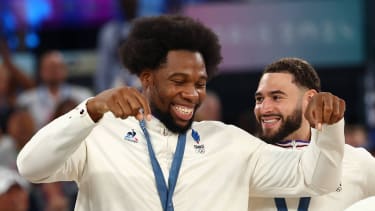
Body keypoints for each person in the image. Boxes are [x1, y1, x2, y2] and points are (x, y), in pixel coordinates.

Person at [17, 15, 346, 211]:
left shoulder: (230, 144)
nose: (192, 93)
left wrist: (329, 128)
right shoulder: (101, 137)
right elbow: (31, 166)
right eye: (179, 80)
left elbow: (317, 178)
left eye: (200, 82)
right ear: (147, 78)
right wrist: (89, 111)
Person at [249, 57, 375, 211]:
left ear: (309, 99)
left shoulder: (357, 162)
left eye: (276, 97)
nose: (264, 108)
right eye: (259, 99)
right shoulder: (246, 164)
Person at [17, 50, 93, 129]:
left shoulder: (83, 96)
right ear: (41, 71)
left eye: (57, 67)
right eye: (49, 67)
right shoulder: (26, 100)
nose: (53, 71)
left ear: (65, 70)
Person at [94, 0, 141, 93]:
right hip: (114, 86)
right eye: (125, 2)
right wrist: (101, 94)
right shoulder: (109, 31)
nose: (129, 3)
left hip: (139, 83)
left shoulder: (146, 29)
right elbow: (103, 66)